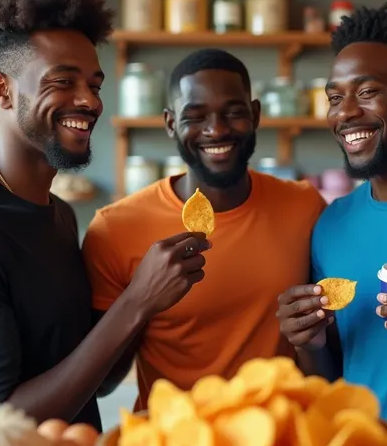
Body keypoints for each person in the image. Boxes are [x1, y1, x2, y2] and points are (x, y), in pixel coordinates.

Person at [0, 0, 209, 428]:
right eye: (62, 81)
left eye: (95, 84)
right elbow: (2, 420)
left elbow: (99, 382)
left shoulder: (60, 217)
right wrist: (137, 302)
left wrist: (146, 295)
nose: (88, 101)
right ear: (2, 90)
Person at [82, 48, 326, 409]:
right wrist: (141, 302)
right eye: (195, 116)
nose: (216, 129)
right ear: (169, 123)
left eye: (233, 112)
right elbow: (102, 385)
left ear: (256, 115)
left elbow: (324, 346)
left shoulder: (305, 206)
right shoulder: (114, 228)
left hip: (277, 441)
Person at [277, 3, 387, 421]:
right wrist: (308, 342)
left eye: (367, 92)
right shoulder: (332, 225)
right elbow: (334, 380)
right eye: (335, 98)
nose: (344, 113)